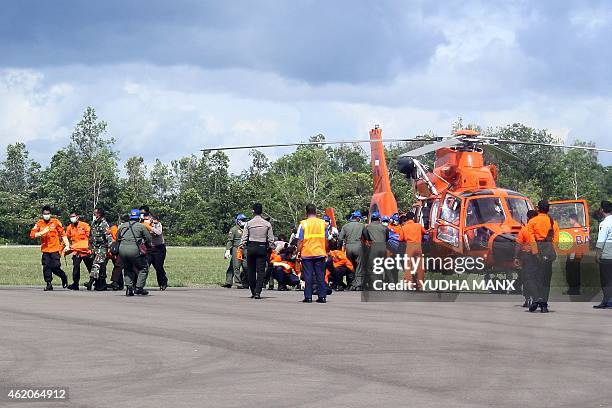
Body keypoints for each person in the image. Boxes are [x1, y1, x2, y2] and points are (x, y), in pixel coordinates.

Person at [527, 200, 560, 313]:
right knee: (546, 279)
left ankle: (536, 299)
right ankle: (544, 305)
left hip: (536, 253)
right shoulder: (553, 223)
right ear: (548, 209)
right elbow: (556, 240)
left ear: (538, 209)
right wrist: (551, 253)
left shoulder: (532, 221)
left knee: (532, 277)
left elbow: (531, 239)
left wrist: (536, 253)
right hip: (548, 252)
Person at [29, 205, 70, 291]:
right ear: (42, 214)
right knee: (46, 266)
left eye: (48, 214)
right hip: (45, 249)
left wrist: (67, 245)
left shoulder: (55, 222)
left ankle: (63, 276)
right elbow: (32, 235)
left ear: (50, 214)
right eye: (44, 214)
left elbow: (63, 234)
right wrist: (41, 233)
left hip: (55, 249)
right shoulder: (39, 223)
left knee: (55, 267)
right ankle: (49, 283)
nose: (46, 215)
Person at [239, 203, 274, 299]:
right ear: (262, 211)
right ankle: (258, 292)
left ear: (253, 211)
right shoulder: (267, 224)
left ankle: (253, 290)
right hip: (262, 247)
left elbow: (244, 237)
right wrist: (272, 248)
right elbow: (270, 239)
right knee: (261, 271)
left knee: (251, 270)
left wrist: (241, 246)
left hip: (251, 247)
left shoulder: (249, 223)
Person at [296, 204, 329, 303]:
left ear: (306, 212)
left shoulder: (303, 224)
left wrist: (298, 251)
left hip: (307, 253)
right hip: (319, 252)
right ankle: (322, 296)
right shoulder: (323, 223)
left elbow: (300, 240)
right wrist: (326, 250)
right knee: (320, 275)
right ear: (315, 212)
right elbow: (326, 239)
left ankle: (308, 297)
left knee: (308, 275)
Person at [118, 209, 152, 296]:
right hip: (134, 250)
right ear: (139, 217)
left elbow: (118, 237)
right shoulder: (141, 226)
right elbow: (149, 239)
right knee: (143, 268)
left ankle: (129, 288)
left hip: (122, 250)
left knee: (127, 268)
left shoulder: (122, 226)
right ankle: (139, 288)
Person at [514, 209, 539, 308]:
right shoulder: (539, 230)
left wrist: (516, 257)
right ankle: (538, 298)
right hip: (538, 256)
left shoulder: (524, 229)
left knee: (527, 278)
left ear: (528, 218)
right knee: (537, 278)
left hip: (527, 257)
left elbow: (518, 244)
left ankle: (527, 298)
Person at [399, 211, 428, 288]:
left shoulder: (404, 227)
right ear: (413, 218)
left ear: (406, 218)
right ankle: (420, 284)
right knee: (420, 265)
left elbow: (400, 239)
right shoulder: (418, 225)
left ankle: (409, 284)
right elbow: (425, 232)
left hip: (409, 247)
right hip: (418, 247)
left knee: (408, 266)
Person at [65, 212, 93, 290]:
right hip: (76, 251)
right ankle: (75, 284)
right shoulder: (69, 227)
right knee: (76, 267)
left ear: (77, 217)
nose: (72, 218)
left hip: (85, 250)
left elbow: (90, 237)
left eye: (73, 216)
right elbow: (66, 238)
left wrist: (90, 248)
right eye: (71, 217)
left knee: (90, 267)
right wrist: (64, 248)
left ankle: (93, 281)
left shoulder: (85, 225)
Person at [142, 211, 169, 291]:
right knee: (145, 266)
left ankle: (163, 283)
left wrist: (150, 227)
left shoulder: (157, 224)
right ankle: (139, 285)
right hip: (149, 248)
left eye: (148, 218)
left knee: (158, 267)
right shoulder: (142, 225)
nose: (147, 220)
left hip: (159, 248)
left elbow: (158, 232)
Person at [339, 210, 365, 290]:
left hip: (348, 247)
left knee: (350, 265)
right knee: (359, 266)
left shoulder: (345, 226)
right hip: (358, 246)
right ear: (357, 218)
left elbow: (340, 238)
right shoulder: (362, 226)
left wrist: (339, 249)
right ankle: (358, 285)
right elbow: (366, 236)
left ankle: (350, 284)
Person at [594, 200, 612, 309]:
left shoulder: (604, 223)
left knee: (606, 279)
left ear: (602, 210)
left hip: (607, 255)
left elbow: (601, 240)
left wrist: (597, 254)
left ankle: (606, 301)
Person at [362, 211, 388, 285]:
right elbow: (387, 237)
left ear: (372, 219)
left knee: (372, 265)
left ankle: (374, 283)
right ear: (379, 219)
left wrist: (369, 240)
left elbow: (365, 234)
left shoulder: (368, 227)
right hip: (383, 247)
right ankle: (380, 281)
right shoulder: (384, 227)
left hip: (373, 247)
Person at [223, 214, 249, 289]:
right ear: (238, 221)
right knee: (236, 266)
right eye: (243, 220)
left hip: (246, 249)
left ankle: (246, 282)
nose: (244, 221)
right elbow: (230, 241)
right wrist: (228, 250)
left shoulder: (247, 229)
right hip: (237, 249)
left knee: (246, 266)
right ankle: (237, 283)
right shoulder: (234, 229)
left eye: (245, 220)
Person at [564, 214, 582, 295]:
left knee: (571, 272)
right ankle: (575, 289)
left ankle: (573, 290)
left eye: (570, 219)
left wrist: (571, 255)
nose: (569, 221)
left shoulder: (575, 228)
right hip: (578, 254)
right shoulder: (580, 227)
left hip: (574, 254)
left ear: (573, 219)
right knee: (575, 272)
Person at [107, 214, 127, 291]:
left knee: (118, 266)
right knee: (118, 266)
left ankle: (117, 283)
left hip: (116, 249)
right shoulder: (112, 227)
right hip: (113, 250)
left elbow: (117, 238)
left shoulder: (113, 228)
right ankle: (118, 283)